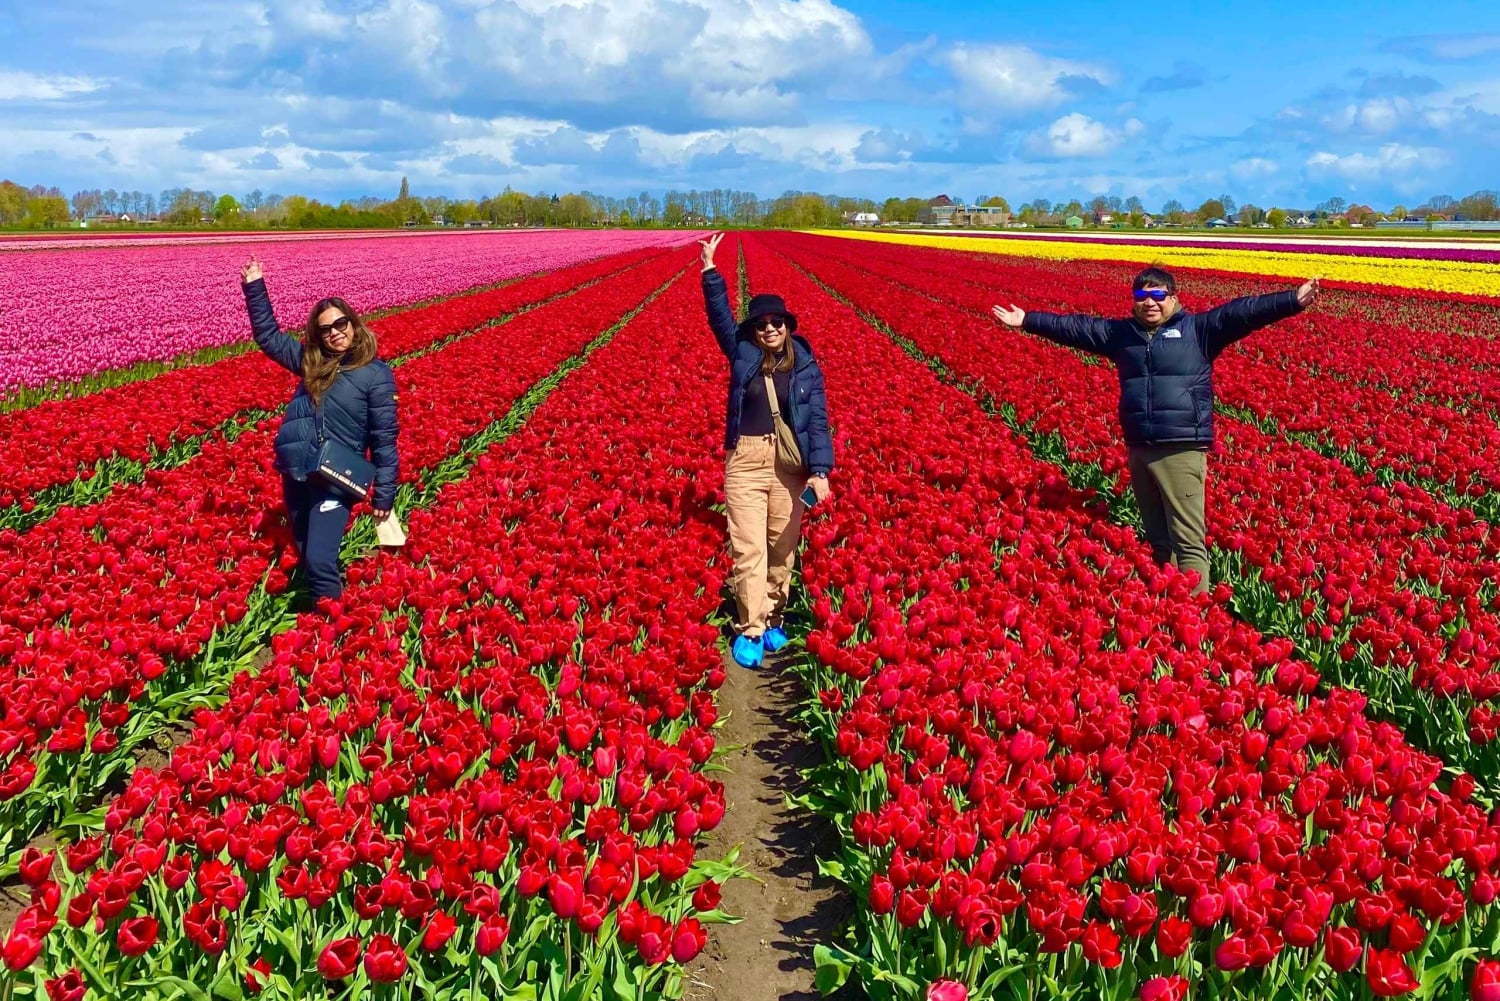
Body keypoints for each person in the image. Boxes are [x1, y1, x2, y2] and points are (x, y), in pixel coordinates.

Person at [991, 266, 1319, 595]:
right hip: (1140, 447)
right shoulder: (1121, 335)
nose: (1150, 302)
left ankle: (1197, 616)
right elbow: (1076, 327)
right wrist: (1028, 320)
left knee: (1188, 541)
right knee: (1160, 541)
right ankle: (1168, 609)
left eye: (1158, 295)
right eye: (1142, 296)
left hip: (1180, 448)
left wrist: (1291, 300)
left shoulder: (1198, 330)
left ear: (1173, 298)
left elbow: (1242, 312)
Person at [700, 233, 834, 668]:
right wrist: (710, 272)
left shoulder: (807, 367)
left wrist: (820, 470)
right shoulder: (742, 355)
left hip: (790, 466)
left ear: (788, 326)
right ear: (753, 331)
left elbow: (816, 421)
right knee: (749, 547)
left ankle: (774, 617)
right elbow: (720, 320)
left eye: (777, 321)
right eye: (761, 323)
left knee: (781, 546)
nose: (770, 328)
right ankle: (751, 627)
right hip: (747, 459)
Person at [240, 255, 399, 604]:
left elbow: (384, 440)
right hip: (297, 472)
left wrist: (384, 494)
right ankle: (320, 609)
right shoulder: (312, 364)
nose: (335, 333)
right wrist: (254, 285)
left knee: (319, 558)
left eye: (341, 323)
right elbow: (268, 337)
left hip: (335, 477)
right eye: (326, 329)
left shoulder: (375, 374)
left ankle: (330, 628)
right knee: (305, 547)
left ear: (354, 324)